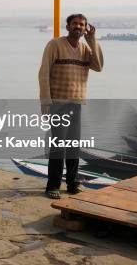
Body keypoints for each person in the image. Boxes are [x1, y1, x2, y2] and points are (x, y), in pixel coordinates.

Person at [38, 13, 103, 199]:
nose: (78, 27)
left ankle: (73, 184)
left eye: (82, 25)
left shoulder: (85, 48)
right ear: (67, 27)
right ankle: (53, 186)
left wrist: (92, 40)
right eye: (75, 24)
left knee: (74, 146)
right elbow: (43, 74)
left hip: (76, 103)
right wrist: (45, 102)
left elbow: (98, 66)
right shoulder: (55, 45)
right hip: (57, 103)